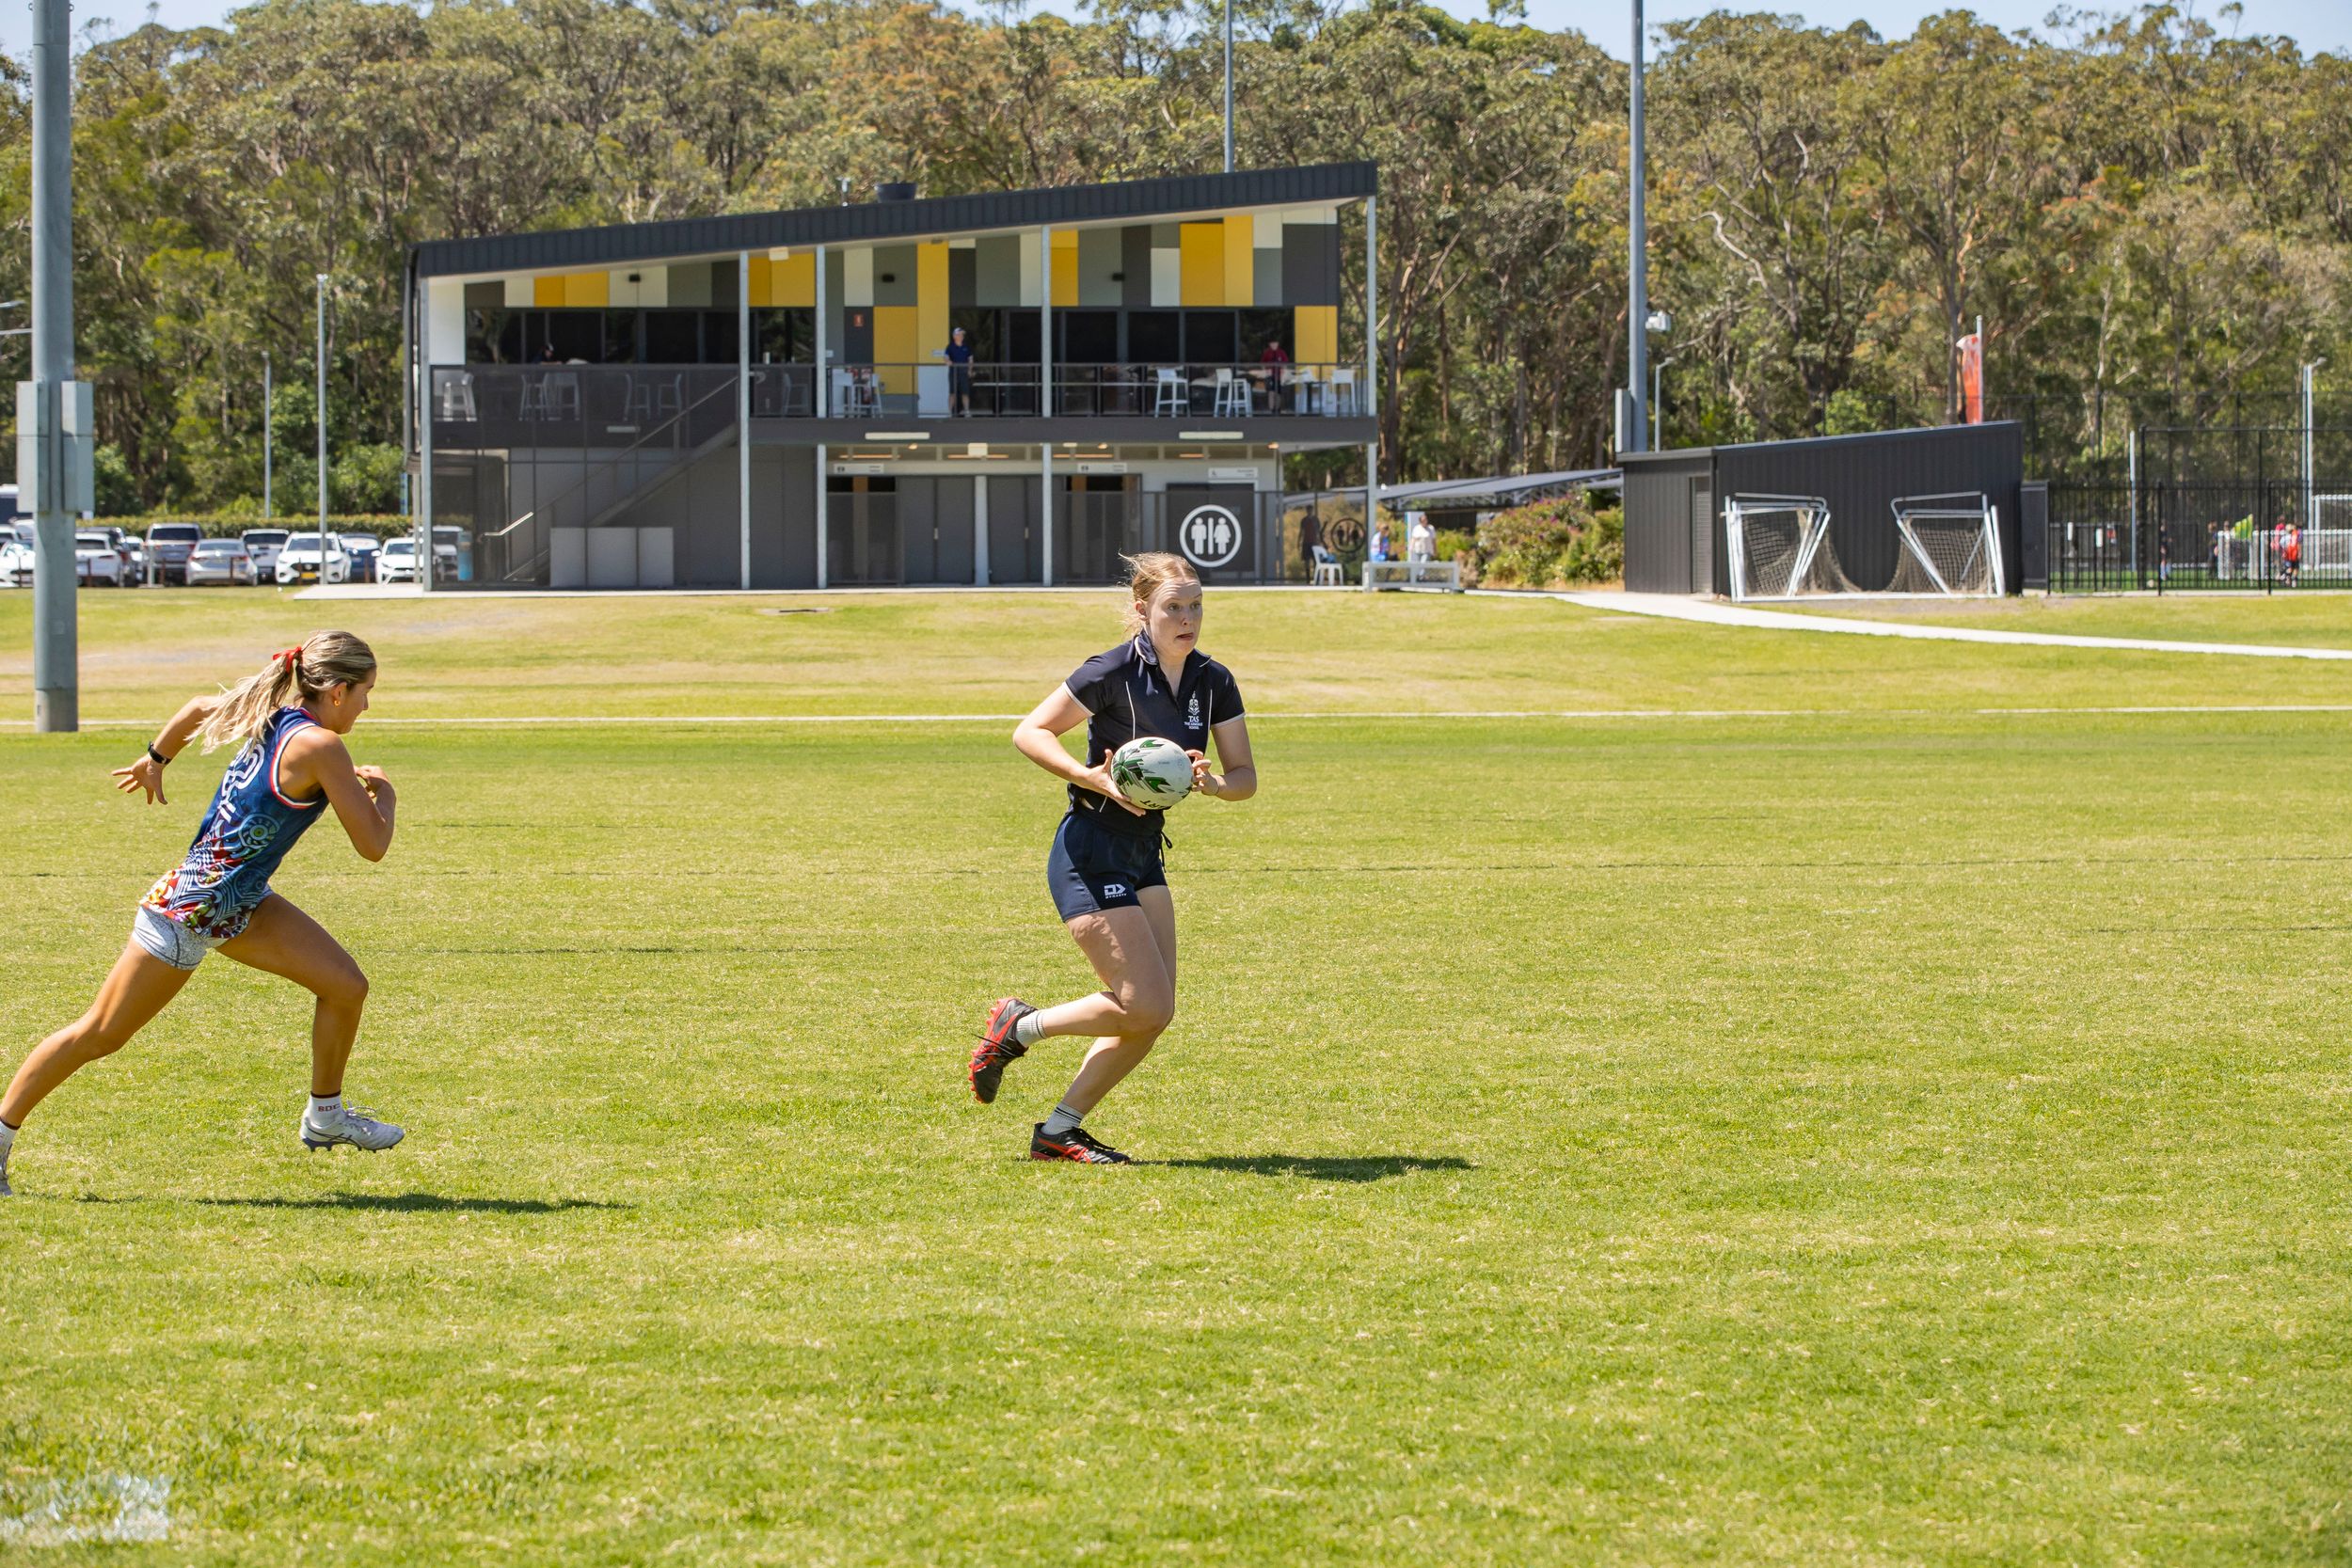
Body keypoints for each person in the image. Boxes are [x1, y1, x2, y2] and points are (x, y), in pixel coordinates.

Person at [0, 633, 404, 1196]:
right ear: (337, 691)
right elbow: (373, 845)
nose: (367, 705)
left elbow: (195, 708)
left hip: (240, 903)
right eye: (365, 693)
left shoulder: (274, 714)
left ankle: (326, 1115)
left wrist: (155, 760)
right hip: (192, 910)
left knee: (345, 986)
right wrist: (385, 795)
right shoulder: (322, 746)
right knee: (99, 1034)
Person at [967, 553, 1258, 1163]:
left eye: (1196, 605)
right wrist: (1090, 776)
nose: (1187, 618)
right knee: (1143, 1003)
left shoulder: (1213, 680)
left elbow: (1244, 779)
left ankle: (1059, 1130)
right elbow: (1030, 731)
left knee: (1153, 1013)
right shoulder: (1113, 670)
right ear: (1142, 610)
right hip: (1091, 848)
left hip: (1144, 851)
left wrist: (1210, 784)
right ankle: (1018, 1027)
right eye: (1173, 607)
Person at [941, 325, 975, 417]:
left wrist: (970, 370)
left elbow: (970, 359)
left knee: (965, 393)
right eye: (959, 334)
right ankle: (949, 412)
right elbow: (945, 357)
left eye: (962, 335)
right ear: (954, 336)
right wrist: (947, 361)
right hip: (953, 372)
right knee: (952, 393)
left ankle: (967, 411)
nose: (961, 336)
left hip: (964, 372)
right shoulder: (950, 346)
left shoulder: (966, 346)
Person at [1258, 338, 1290, 412]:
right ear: (1269, 344)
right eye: (1272, 343)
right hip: (1270, 376)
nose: (1274, 345)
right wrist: (1265, 371)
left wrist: (1283, 370)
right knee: (1271, 392)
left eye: (1275, 343)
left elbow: (1286, 363)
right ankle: (1271, 409)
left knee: (1278, 393)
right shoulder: (1267, 352)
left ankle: (1278, 409)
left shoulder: (1281, 352)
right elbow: (1262, 363)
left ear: (1278, 344)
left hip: (1279, 376)